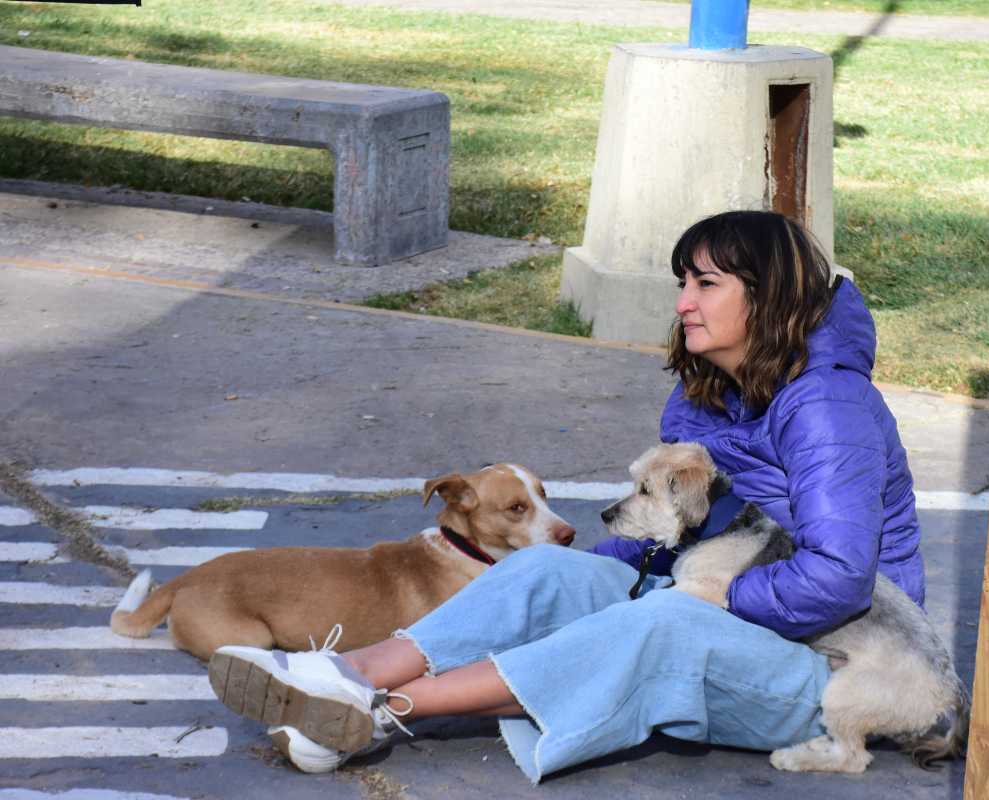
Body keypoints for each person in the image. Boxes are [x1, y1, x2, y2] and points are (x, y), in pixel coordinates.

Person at [207, 210, 925, 781]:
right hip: (743, 619)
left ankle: (378, 709)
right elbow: (662, 537)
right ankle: (345, 674)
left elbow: (837, 578)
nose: (683, 304)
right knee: (546, 569)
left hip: (837, 674)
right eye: (683, 283)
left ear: (766, 297)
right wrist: (583, 578)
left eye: (705, 286)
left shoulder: (828, 409)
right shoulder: (705, 394)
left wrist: (710, 598)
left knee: (659, 624)